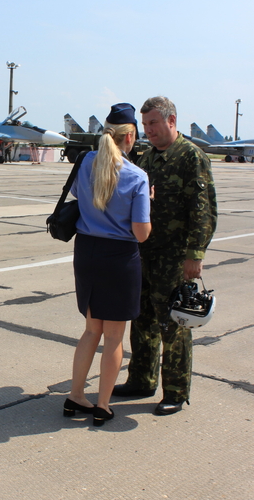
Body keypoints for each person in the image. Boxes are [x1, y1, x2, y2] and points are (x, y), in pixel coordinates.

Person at [113, 96, 217, 415]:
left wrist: (195, 255)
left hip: (174, 258)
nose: (149, 130)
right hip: (144, 253)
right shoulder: (147, 157)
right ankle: (141, 380)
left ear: (171, 121)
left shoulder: (190, 156)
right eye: (145, 125)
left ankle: (175, 391)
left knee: (173, 324)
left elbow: (203, 210)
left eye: (154, 123)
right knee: (141, 319)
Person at [63, 103, 152, 426]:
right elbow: (141, 234)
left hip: (86, 252)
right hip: (119, 258)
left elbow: (78, 196)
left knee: (91, 330)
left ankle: (75, 395)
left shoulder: (86, 161)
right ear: (130, 137)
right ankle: (103, 404)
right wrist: (148, 201)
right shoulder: (136, 176)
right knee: (114, 337)